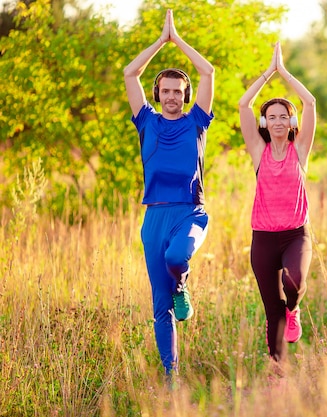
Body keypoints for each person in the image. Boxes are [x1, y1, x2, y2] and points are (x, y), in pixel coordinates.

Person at [123, 9, 215, 379]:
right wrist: (159, 43)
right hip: (154, 217)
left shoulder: (197, 121)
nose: (173, 95)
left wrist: (177, 39)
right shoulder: (146, 121)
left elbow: (208, 72)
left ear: (186, 94)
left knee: (179, 256)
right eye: (167, 90)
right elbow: (131, 73)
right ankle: (171, 378)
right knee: (160, 307)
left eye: (179, 91)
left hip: (190, 213)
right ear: (158, 93)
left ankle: (182, 285)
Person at [238, 42, 316, 365]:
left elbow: (310, 101)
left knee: (293, 282)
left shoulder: (300, 151)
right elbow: (244, 104)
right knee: (272, 310)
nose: (279, 121)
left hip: (296, 234)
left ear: (291, 121)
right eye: (272, 117)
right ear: (264, 123)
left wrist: (284, 72)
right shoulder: (259, 151)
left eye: (284, 116)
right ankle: (277, 372)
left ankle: (294, 309)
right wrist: (267, 74)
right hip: (264, 238)